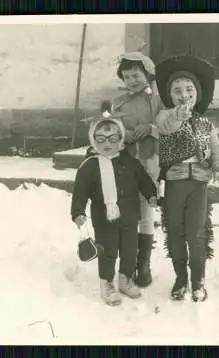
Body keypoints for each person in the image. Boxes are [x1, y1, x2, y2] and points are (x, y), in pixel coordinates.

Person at [154, 55, 219, 302]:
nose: (183, 94)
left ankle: (198, 279)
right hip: (174, 183)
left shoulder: (206, 124)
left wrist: (218, 167)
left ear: (197, 94)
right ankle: (180, 278)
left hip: (198, 183)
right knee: (175, 231)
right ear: (170, 96)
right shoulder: (165, 116)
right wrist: (177, 114)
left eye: (189, 90)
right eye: (177, 91)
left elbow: (216, 148)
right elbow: (166, 128)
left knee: (196, 232)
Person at [87, 52, 164, 288]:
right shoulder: (119, 101)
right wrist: (123, 134)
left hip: (150, 159)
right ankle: (124, 261)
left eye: (136, 75)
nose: (132, 80)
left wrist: (150, 127)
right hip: (125, 162)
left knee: (146, 207)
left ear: (147, 74)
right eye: (127, 76)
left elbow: (168, 123)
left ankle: (144, 264)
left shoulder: (157, 98)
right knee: (127, 209)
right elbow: (111, 127)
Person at [71, 101, 158, 307]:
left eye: (113, 138)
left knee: (129, 250)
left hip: (130, 217)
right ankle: (107, 283)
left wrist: (151, 194)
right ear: (94, 141)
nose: (107, 143)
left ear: (120, 140)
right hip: (104, 219)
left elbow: (144, 180)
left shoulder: (130, 162)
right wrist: (77, 213)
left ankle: (125, 279)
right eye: (100, 139)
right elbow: (80, 192)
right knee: (108, 251)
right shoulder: (89, 166)